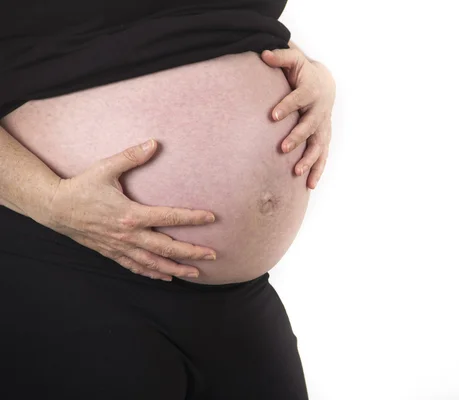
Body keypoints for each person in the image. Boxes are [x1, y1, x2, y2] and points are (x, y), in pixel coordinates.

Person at [0, 0, 336, 398]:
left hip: (239, 298)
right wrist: (50, 200)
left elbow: (203, 24)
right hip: (71, 267)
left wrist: (317, 74)